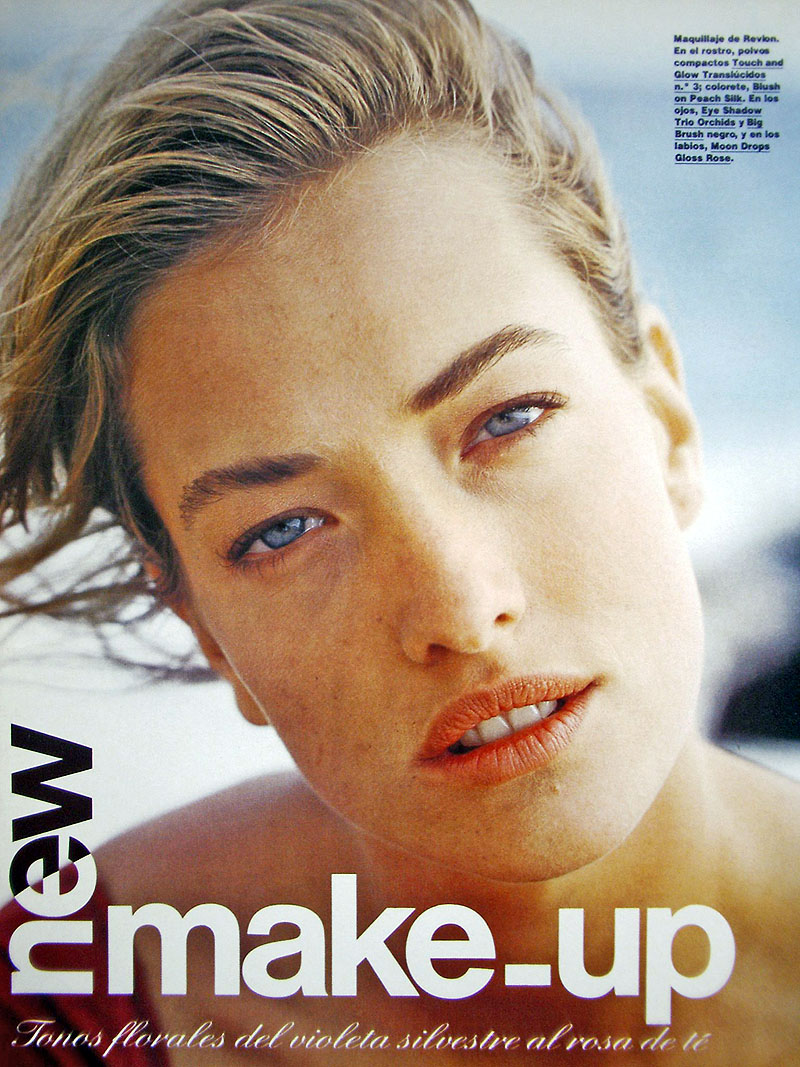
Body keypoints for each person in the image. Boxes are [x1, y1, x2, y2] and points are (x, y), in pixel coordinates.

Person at [0, 1, 797, 1063]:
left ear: (667, 422)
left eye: (507, 420)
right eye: (283, 528)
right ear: (201, 625)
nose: (459, 609)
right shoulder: (62, 1005)